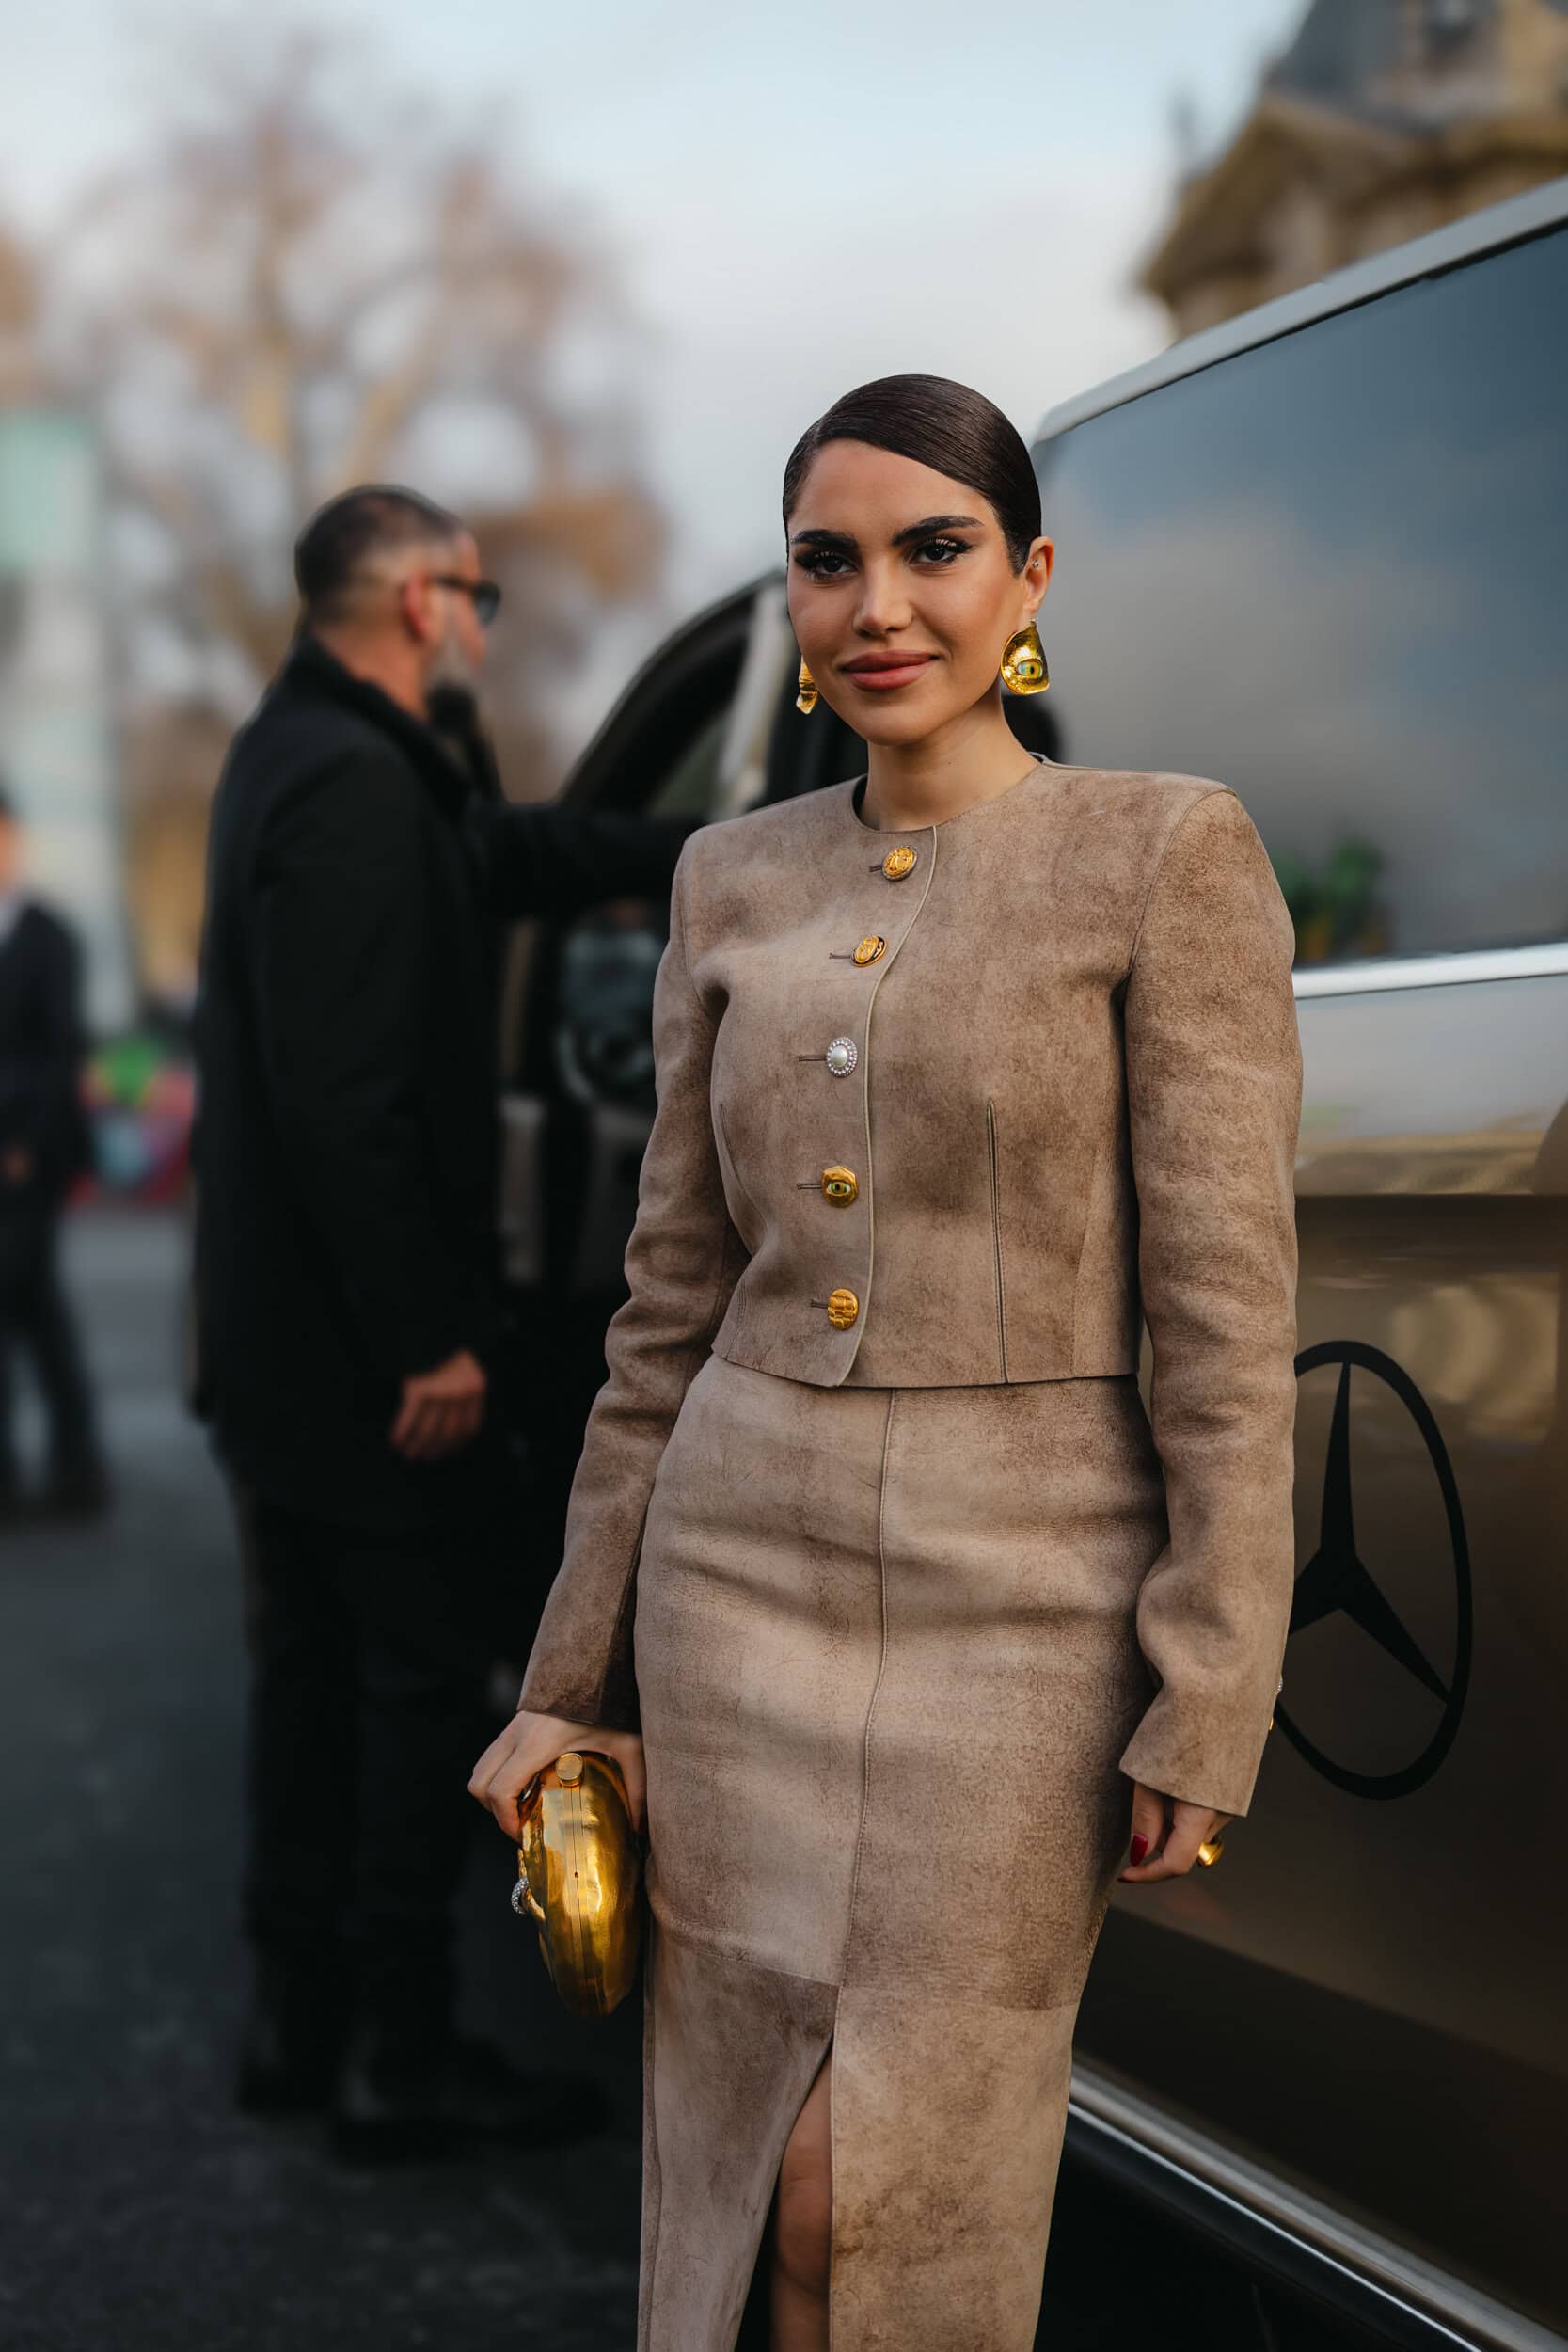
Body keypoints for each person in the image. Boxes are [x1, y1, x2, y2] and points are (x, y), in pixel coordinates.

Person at [470, 375, 1303, 2350]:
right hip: (729, 1589)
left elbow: (1219, 1316)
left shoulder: (1160, 854)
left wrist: (1207, 1681)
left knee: (888, 2185)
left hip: (1020, 1621)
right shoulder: (725, 880)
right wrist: (569, 1684)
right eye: (825, 561)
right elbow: (663, 1306)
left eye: (931, 548)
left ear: (1024, 576)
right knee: (746, 2166)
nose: (876, 605)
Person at [193, 485, 697, 2158]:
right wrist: (427, 1336)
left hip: (281, 1353)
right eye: (473, 594)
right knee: (417, 1683)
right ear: (420, 602)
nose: (483, 623)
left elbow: (516, 854)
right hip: (356, 1364)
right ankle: (402, 2058)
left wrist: (726, 843)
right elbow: (340, 1103)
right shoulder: (349, 785)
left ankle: (300, 2028)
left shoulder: (322, 757)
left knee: (310, 1682)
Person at [0, 785, 107, 1521]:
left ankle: (77, 1472)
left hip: (27, 1162)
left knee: (36, 1314)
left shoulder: (51, 937)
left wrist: (23, 1147)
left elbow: (60, 1055)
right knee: (32, 1316)